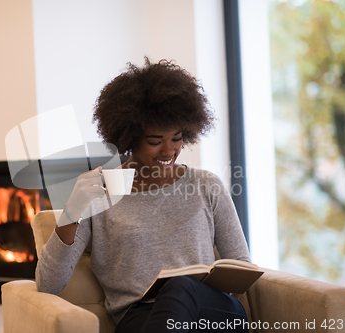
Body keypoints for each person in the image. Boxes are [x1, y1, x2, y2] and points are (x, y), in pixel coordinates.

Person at [36, 58, 250, 332]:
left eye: (177, 137)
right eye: (155, 141)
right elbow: (48, 283)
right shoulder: (101, 192)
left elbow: (241, 265)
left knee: (181, 287)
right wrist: (71, 211)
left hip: (212, 312)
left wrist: (200, 282)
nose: (169, 151)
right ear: (130, 137)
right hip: (140, 317)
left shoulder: (206, 184)